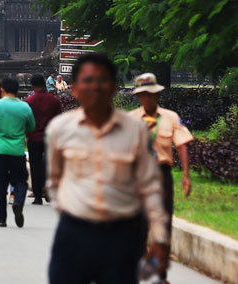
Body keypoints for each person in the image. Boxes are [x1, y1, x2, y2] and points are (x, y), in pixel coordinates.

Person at [46, 53, 169, 283]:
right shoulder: (60, 129)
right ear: (74, 89)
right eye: (88, 80)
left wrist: (159, 237)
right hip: (73, 235)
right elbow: (54, 180)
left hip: (121, 237)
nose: (95, 87)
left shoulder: (135, 130)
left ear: (113, 87)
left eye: (102, 80)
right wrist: (70, 211)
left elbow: (149, 186)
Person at [129, 72, 194, 283]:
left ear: (157, 94)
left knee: (164, 224)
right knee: (139, 224)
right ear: (139, 96)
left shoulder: (171, 117)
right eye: (143, 95)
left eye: (151, 94)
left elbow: (181, 145)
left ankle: (161, 274)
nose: (147, 98)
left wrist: (186, 175)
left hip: (162, 175)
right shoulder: (131, 120)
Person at [0, 77, 35, 228]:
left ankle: (1, 219)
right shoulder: (25, 107)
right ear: (17, 91)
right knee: (21, 181)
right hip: (17, 150)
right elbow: (31, 127)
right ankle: (18, 202)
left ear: (2, 90)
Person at [26, 73, 62, 204]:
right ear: (44, 84)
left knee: (35, 167)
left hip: (34, 137)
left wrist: (27, 135)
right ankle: (48, 190)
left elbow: (27, 121)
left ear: (32, 86)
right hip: (50, 138)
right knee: (50, 165)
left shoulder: (29, 101)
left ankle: (37, 196)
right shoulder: (54, 101)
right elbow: (59, 120)